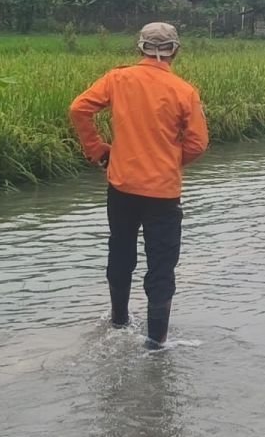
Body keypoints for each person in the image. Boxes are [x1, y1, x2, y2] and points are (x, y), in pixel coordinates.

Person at [69, 22, 209, 349]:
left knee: (120, 252)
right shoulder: (184, 91)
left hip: (121, 186)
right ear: (175, 51)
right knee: (161, 266)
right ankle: (156, 344)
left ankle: (118, 322)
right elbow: (198, 144)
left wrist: (97, 150)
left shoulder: (118, 79)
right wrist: (170, 161)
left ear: (140, 48)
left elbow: (79, 109)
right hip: (163, 193)